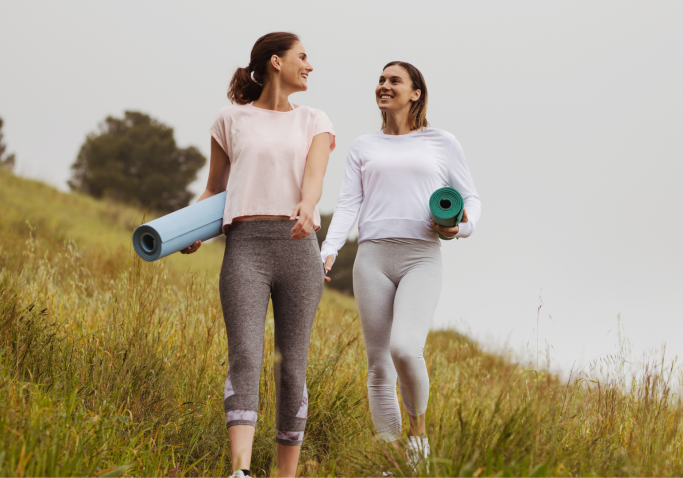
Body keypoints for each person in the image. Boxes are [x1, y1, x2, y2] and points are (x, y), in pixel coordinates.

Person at [181, 32, 334, 478]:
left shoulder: (315, 120)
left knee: (292, 366)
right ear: (275, 62)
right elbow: (215, 189)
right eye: (302, 57)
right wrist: (191, 230)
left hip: (298, 246)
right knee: (245, 355)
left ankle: (286, 475)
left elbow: (315, 178)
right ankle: (240, 471)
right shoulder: (231, 119)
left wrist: (307, 206)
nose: (309, 65)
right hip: (245, 248)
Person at [321, 61, 481, 472]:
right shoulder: (363, 146)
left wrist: (461, 229)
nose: (384, 85)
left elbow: (471, 199)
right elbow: (348, 204)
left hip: (421, 256)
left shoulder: (442, 142)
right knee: (378, 366)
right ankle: (391, 461)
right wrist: (330, 248)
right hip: (372, 256)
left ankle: (418, 438)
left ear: (416, 93)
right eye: (381, 80)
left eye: (395, 80)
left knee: (406, 349)